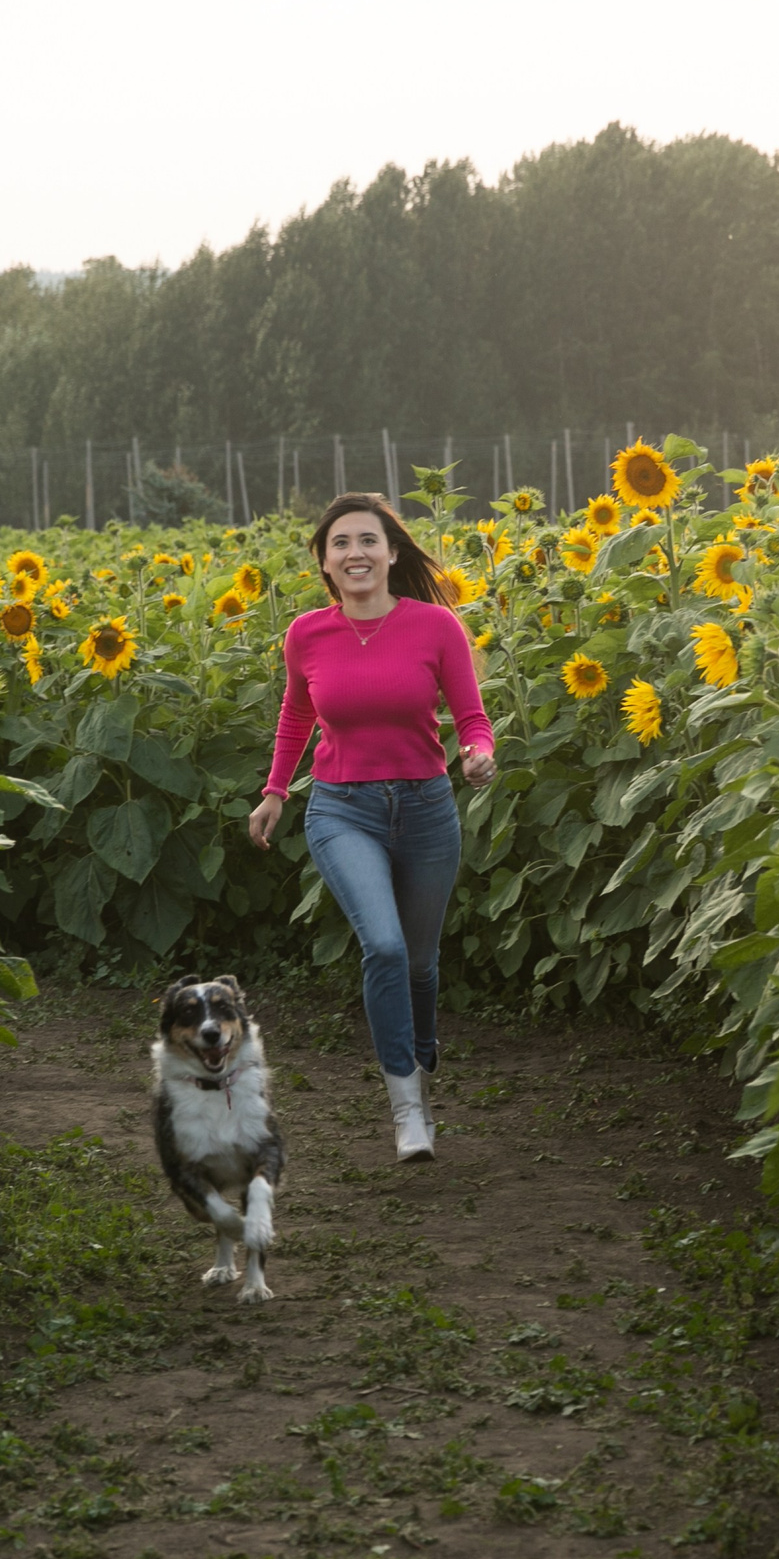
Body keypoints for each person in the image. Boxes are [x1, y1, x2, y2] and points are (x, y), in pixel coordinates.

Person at [247, 492, 496, 1162]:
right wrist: (275, 791)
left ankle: (419, 1039)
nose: (354, 552)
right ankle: (409, 1108)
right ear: (325, 564)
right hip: (340, 809)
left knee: (418, 960)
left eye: (367, 540)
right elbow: (296, 715)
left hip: (425, 807)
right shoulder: (305, 633)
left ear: (391, 552)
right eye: (340, 544)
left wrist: (479, 754)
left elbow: (470, 717)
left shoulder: (436, 627)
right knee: (383, 947)